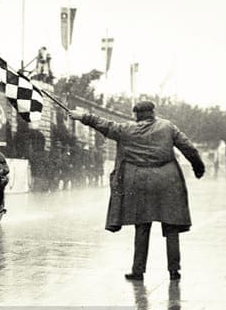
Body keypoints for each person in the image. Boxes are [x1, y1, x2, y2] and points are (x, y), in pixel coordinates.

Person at [68, 100, 205, 281]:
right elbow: (188, 147)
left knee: (142, 226)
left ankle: (138, 271)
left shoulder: (126, 130)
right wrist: (198, 167)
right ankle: (174, 270)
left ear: (135, 115)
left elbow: (104, 124)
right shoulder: (167, 126)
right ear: (153, 112)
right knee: (172, 227)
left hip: (139, 182)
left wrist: (83, 117)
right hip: (167, 180)